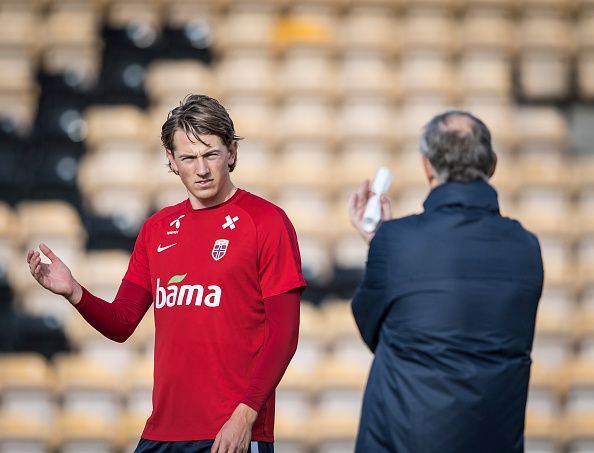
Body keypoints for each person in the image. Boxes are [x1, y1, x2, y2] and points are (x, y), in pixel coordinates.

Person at [26, 94, 306, 453]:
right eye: (189, 157)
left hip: (230, 434)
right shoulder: (157, 229)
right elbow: (122, 322)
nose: (201, 169)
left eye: (211, 154)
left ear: (232, 153)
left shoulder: (267, 222)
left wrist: (245, 415)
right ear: (172, 161)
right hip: (161, 434)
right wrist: (74, 292)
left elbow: (285, 334)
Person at [348, 110, 544, 453]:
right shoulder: (526, 246)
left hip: (403, 440)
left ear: (427, 167)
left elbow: (376, 331)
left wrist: (379, 241)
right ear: (492, 164)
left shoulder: (396, 241)